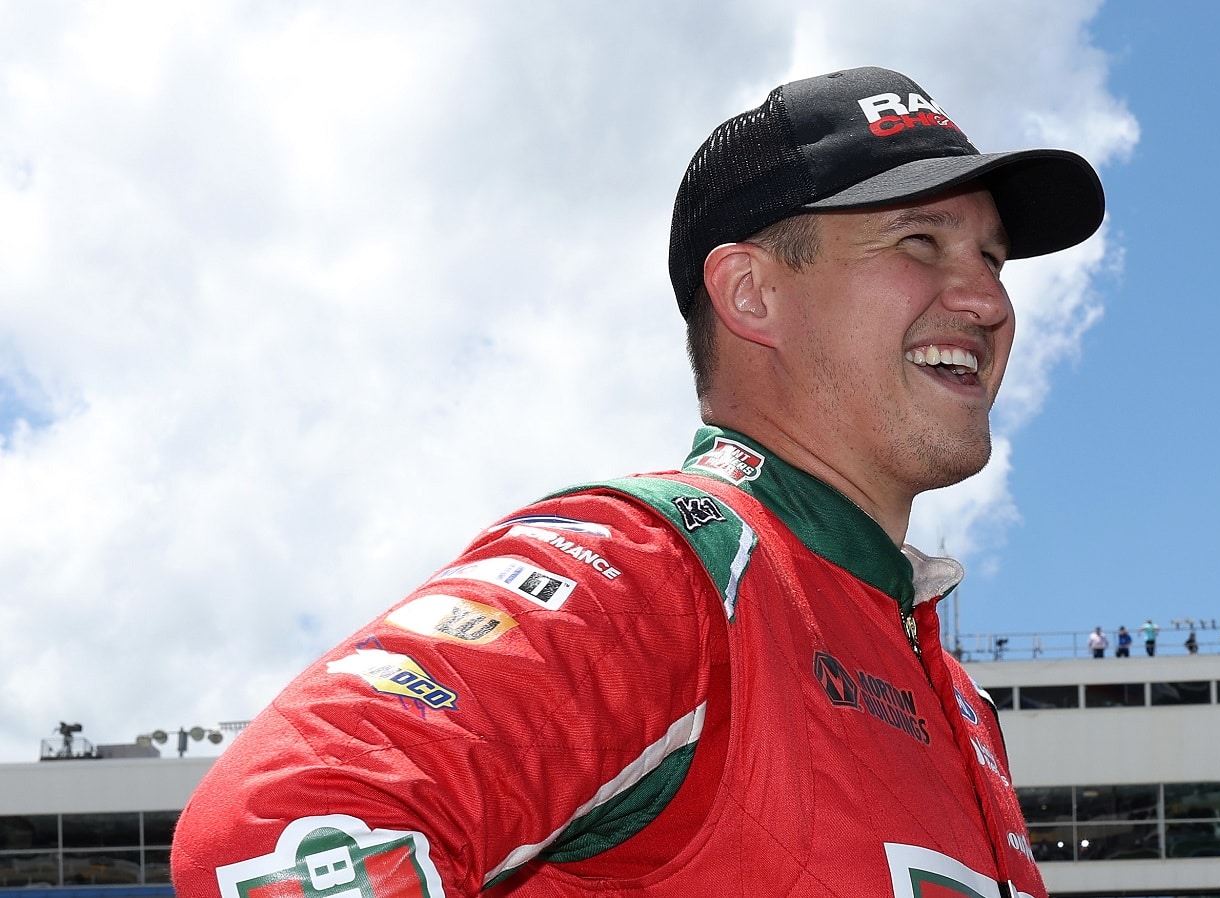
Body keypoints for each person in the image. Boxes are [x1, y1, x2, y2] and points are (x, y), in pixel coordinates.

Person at [171, 66, 1103, 898]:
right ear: (751, 294)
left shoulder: (951, 691)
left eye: (990, 258)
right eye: (920, 244)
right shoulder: (664, 568)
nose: (987, 300)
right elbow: (277, 834)